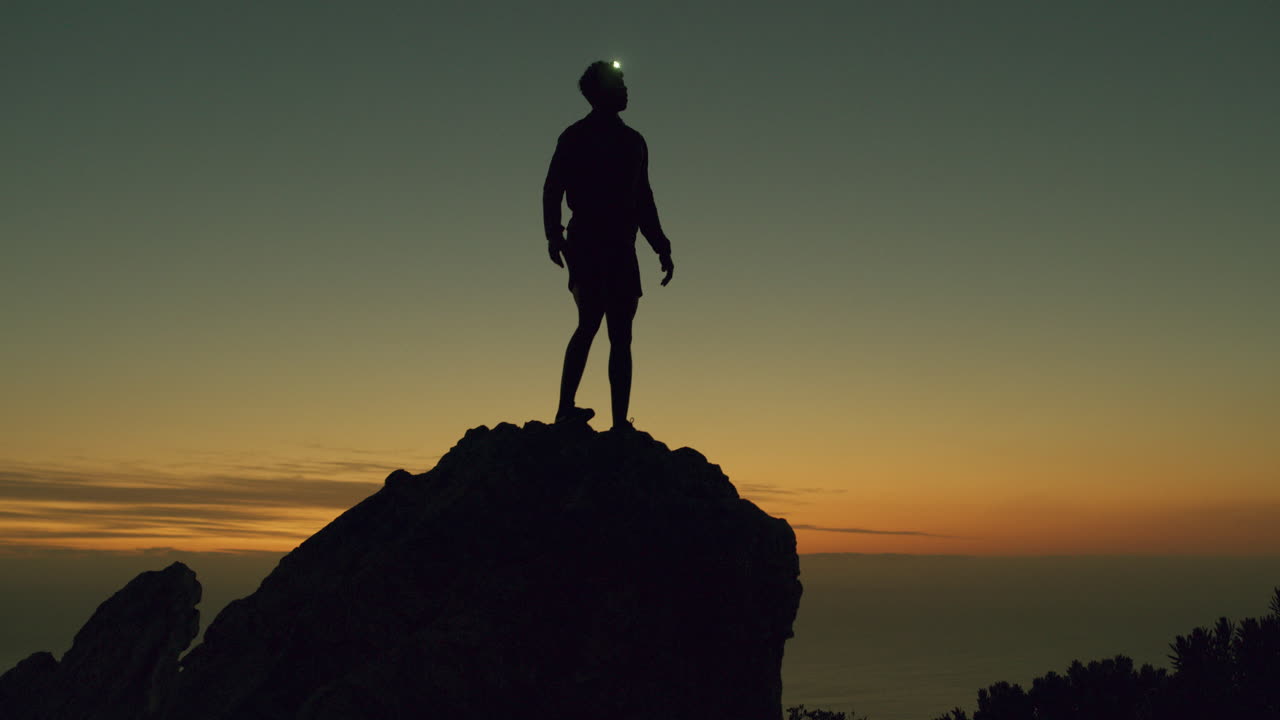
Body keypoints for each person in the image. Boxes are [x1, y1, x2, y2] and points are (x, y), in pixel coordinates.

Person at [543, 60, 675, 430]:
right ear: (599, 93)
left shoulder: (634, 142)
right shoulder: (575, 136)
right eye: (619, 83)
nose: (626, 89)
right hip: (587, 239)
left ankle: (619, 423)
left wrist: (660, 246)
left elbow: (644, 199)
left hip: (621, 244)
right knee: (589, 322)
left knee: (621, 333)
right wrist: (553, 233)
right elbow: (553, 187)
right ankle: (565, 408)